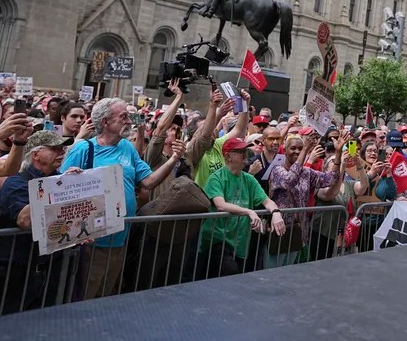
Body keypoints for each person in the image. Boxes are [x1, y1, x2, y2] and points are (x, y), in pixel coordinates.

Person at [60, 98, 185, 299]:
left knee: (106, 296)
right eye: (123, 117)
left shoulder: (127, 147)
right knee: (83, 298)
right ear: (105, 122)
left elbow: (148, 182)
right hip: (91, 245)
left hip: (119, 241)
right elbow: (60, 189)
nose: (129, 121)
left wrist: (173, 159)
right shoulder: (83, 149)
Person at [0, 130, 76, 319]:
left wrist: (73, 184)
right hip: (13, 270)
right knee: (1, 324)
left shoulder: (58, 178)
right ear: (36, 154)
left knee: (37, 324)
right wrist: (60, 188)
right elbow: (25, 220)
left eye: (63, 148)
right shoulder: (16, 183)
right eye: (54, 148)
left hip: (45, 268)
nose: (62, 152)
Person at [198, 137, 286, 278]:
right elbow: (220, 205)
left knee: (236, 279)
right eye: (240, 151)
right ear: (228, 156)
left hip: (240, 243)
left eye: (245, 150)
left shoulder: (249, 179)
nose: (245, 154)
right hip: (217, 241)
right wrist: (248, 211)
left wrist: (276, 213)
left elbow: (267, 201)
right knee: (227, 273)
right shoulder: (217, 178)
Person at [267, 129, 349, 266]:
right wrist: (305, 149)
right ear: (285, 151)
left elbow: (330, 179)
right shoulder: (277, 170)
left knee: (292, 273)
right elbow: (289, 180)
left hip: (299, 231)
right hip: (280, 231)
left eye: (300, 148)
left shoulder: (306, 172)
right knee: (272, 272)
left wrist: (338, 153)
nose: (297, 151)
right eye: (293, 148)